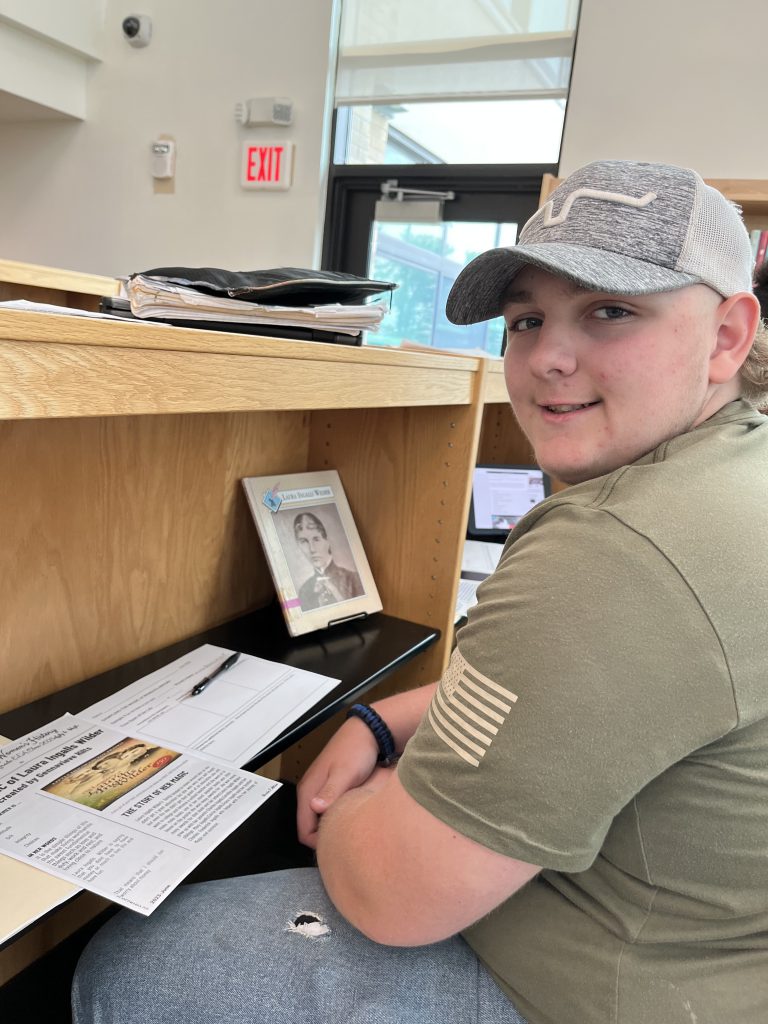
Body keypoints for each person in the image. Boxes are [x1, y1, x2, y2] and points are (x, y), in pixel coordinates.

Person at [72, 160, 768, 1024]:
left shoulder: (622, 546)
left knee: (143, 964)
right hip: (716, 956)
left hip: (600, 988)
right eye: (526, 320)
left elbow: (394, 897)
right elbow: (571, 700)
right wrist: (380, 717)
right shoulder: (736, 471)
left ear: (729, 334)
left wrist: (367, 804)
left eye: (611, 310)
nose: (548, 357)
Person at [293, 511, 364, 610]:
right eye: (304, 541)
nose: (312, 549)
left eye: (316, 539)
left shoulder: (354, 579)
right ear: (299, 546)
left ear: (327, 541)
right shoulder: (304, 591)